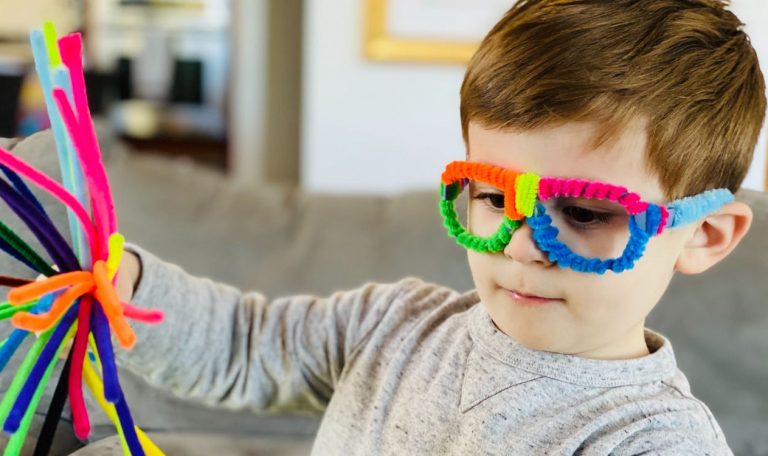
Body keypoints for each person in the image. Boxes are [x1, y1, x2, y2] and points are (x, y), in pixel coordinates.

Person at [113, 0, 765, 454]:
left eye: (585, 211)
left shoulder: (654, 442)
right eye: (492, 195)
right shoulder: (390, 328)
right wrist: (126, 283)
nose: (519, 243)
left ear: (704, 234)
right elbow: (241, 344)